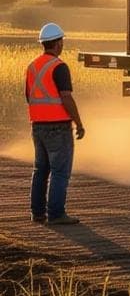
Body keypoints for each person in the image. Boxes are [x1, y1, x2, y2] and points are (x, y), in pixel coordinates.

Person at [26, 22, 85, 225]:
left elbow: (29, 97)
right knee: (60, 172)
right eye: (62, 41)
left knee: (40, 170)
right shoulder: (59, 67)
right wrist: (79, 123)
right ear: (58, 43)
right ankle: (56, 214)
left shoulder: (32, 67)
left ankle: (37, 213)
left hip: (37, 126)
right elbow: (66, 97)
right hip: (58, 127)